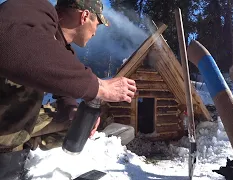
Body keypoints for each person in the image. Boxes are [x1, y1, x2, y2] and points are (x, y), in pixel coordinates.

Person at [0, 0, 137, 179]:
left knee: (74, 120)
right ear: (85, 16)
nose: (97, 30)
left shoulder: (59, 49)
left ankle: (21, 151)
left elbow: (61, 82)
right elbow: (16, 47)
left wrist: (74, 111)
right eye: (98, 23)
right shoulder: (35, 11)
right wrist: (98, 86)